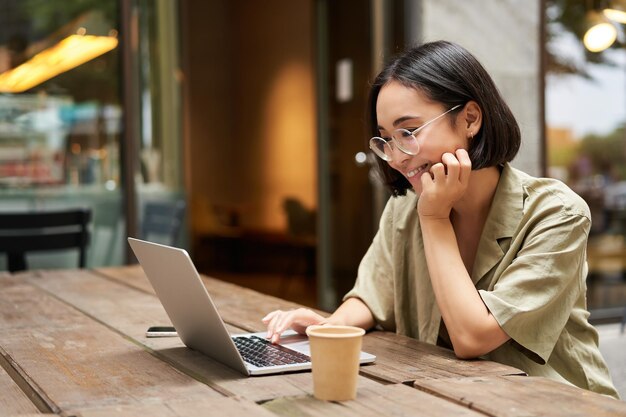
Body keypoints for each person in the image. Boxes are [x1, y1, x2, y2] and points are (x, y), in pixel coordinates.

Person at [262, 40, 619, 398]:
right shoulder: (405, 207)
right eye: (386, 139)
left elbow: (472, 337)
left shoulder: (557, 213)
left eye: (409, 132)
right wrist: (328, 327)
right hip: (450, 398)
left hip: (556, 404)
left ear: (470, 119)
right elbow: (373, 296)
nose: (396, 158)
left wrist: (434, 219)